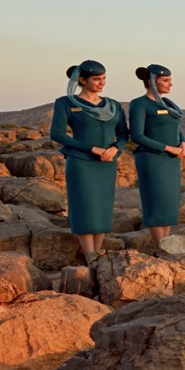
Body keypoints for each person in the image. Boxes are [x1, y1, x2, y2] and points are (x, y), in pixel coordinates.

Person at [49, 60, 127, 262]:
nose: (102, 83)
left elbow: (124, 135)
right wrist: (91, 148)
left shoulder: (113, 105)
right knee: (84, 205)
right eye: (96, 79)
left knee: (102, 206)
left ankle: (97, 254)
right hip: (80, 162)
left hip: (107, 163)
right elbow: (57, 134)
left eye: (104, 78)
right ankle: (89, 253)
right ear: (82, 80)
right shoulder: (66, 103)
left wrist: (115, 149)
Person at [127, 64, 185, 248]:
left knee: (168, 205)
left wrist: (183, 143)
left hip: (172, 161)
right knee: (155, 204)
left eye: (170, 80)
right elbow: (137, 136)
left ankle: (166, 247)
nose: (170, 84)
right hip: (151, 159)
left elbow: (177, 128)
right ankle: (159, 248)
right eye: (166, 80)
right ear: (152, 82)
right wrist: (168, 148)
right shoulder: (139, 104)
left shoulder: (169, 104)